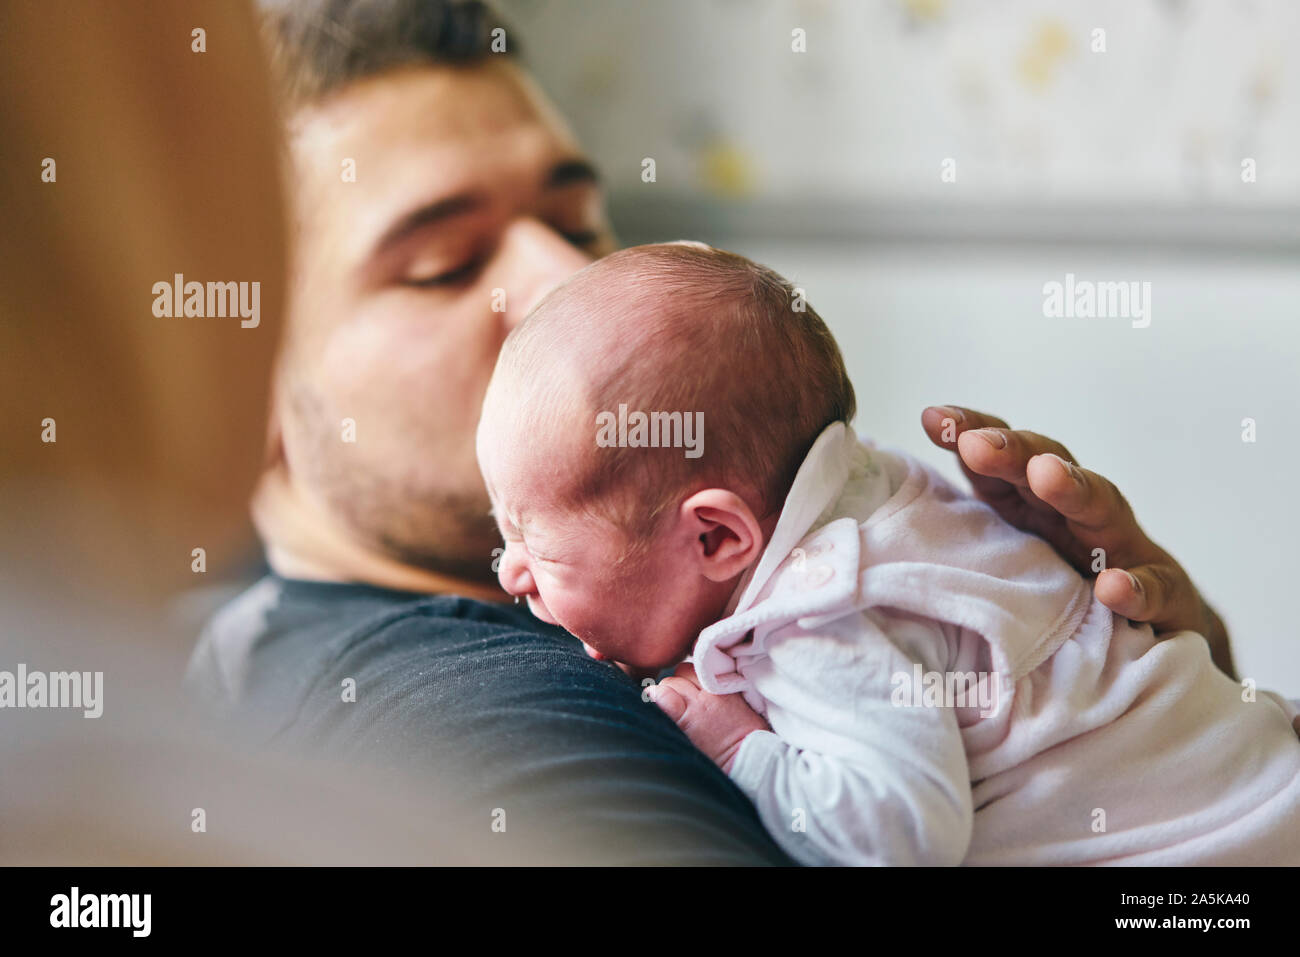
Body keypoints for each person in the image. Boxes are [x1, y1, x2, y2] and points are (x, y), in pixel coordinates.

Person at [186, 0, 1244, 864]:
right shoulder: (485, 725)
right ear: (243, 385)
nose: (564, 280)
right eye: (445, 266)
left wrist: (1165, 697)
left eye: (574, 221)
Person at [475, 242, 1300, 866]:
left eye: (533, 543)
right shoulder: (881, 488)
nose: (510, 572)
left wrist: (740, 748)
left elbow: (903, 837)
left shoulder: (816, 622)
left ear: (717, 537)